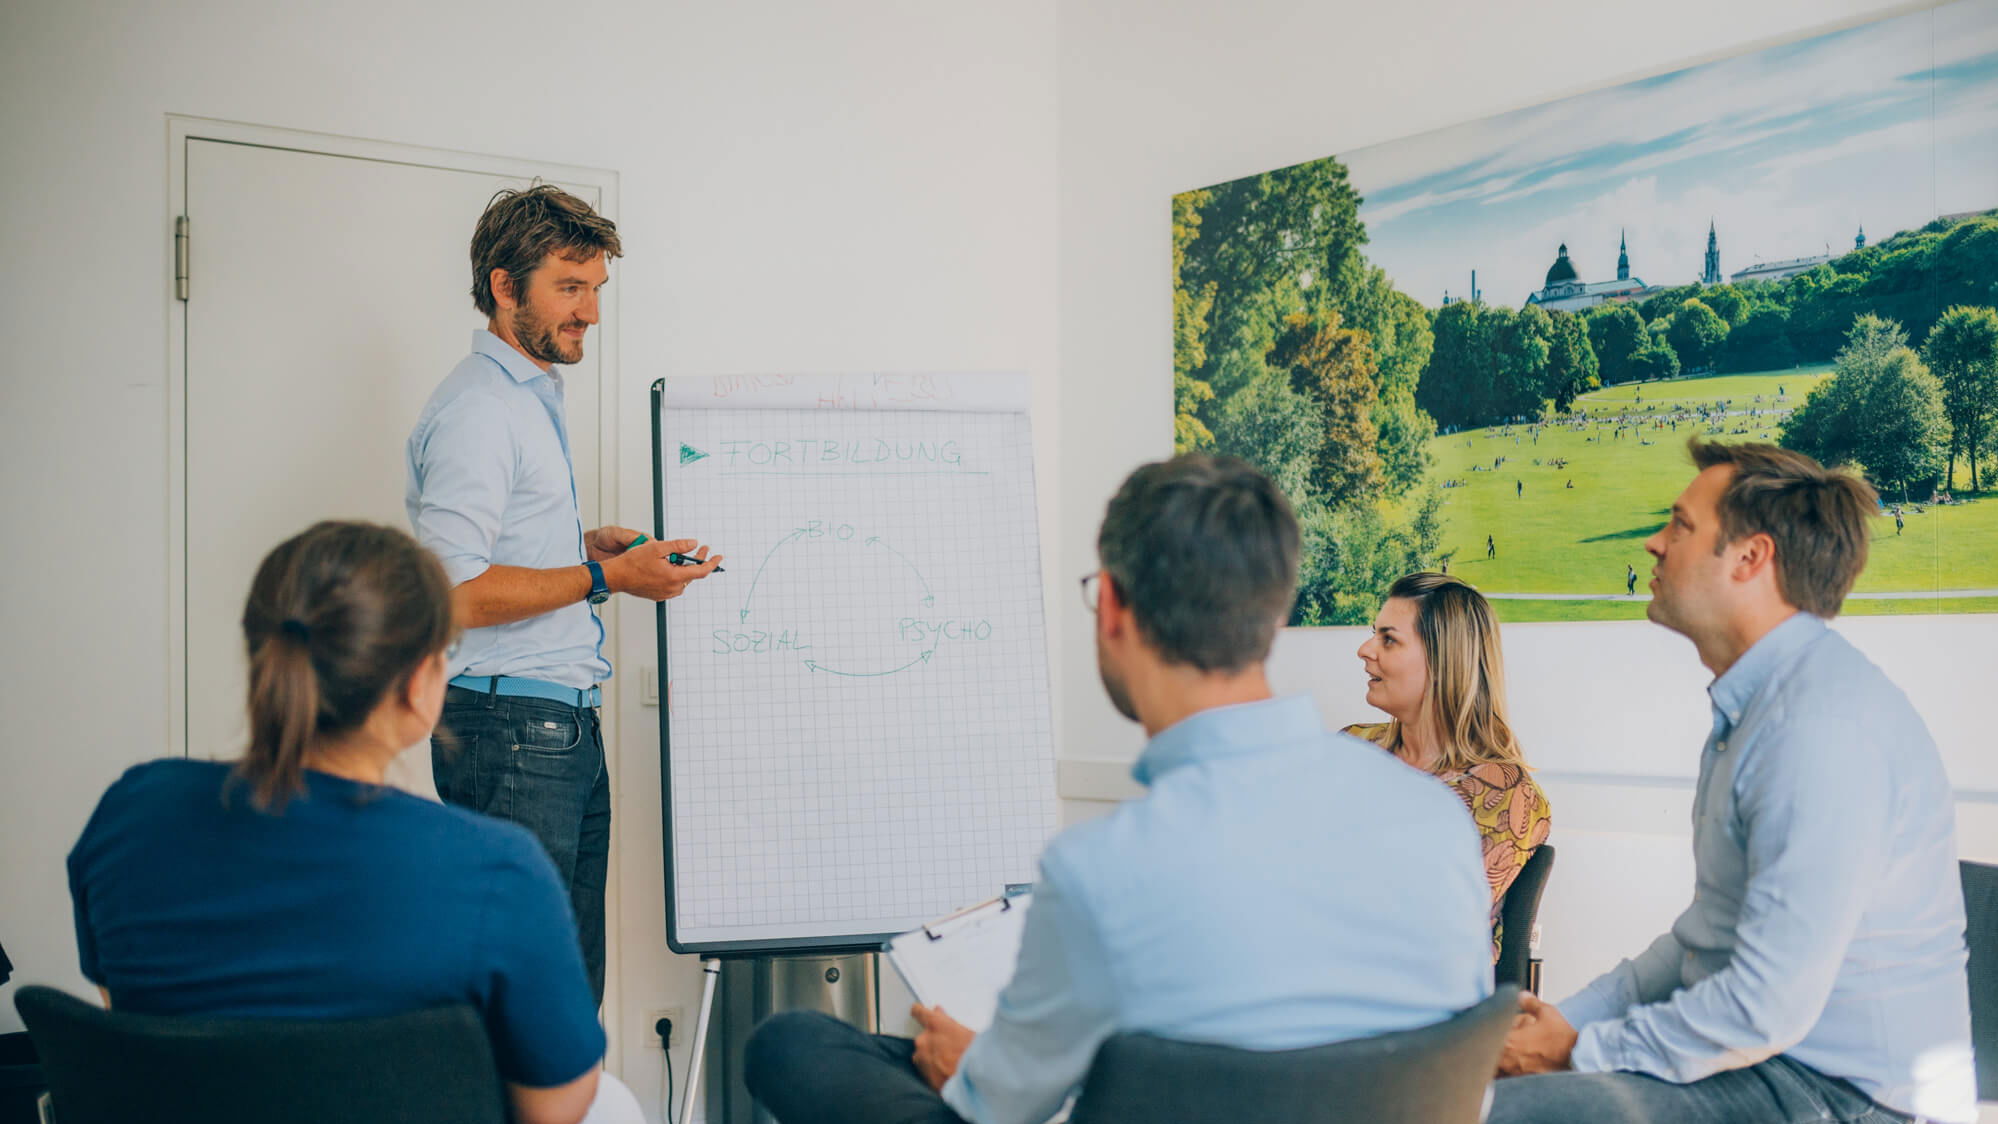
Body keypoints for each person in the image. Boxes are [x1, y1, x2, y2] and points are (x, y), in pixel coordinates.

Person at [742, 454, 1492, 1124]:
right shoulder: (1437, 820)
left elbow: (994, 1107)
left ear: (1111, 609)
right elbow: (1471, 1084)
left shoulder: (1099, 870)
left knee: (792, 1043)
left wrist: (967, 1064)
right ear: (1273, 613)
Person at [66, 522, 642, 1124]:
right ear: (423, 686)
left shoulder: (130, 816)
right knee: (613, 1105)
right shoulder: (496, 869)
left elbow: (128, 1017)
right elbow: (558, 1107)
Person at [1490, 440, 1975, 1124]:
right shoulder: (1757, 710)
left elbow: (1763, 1008)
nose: (1655, 544)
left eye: (1681, 525)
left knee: (1503, 1116)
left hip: (1845, 1097)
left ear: (1752, 558)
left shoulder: (1819, 726)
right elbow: (1700, 942)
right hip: (1772, 1064)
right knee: (1478, 1091)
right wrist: (1559, 1021)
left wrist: (1577, 1050)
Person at [407, 185, 721, 1002]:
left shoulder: (525, 399)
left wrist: (582, 550)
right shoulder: (481, 411)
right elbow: (452, 591)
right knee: (528, 999)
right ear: (505, 286)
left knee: (565, 999)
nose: (590, 313)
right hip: (511, 734)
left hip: (550, 733)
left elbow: (492, 555)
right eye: (569, 287)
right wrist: (605, 578)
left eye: (596, 290)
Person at [1346, 573, 1550, 961]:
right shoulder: (1351, 747)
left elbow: (1424, 933)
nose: (1364, 649)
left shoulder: (1505, 797)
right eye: (1374, 633)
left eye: (1388, 639)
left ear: (1443, 661)